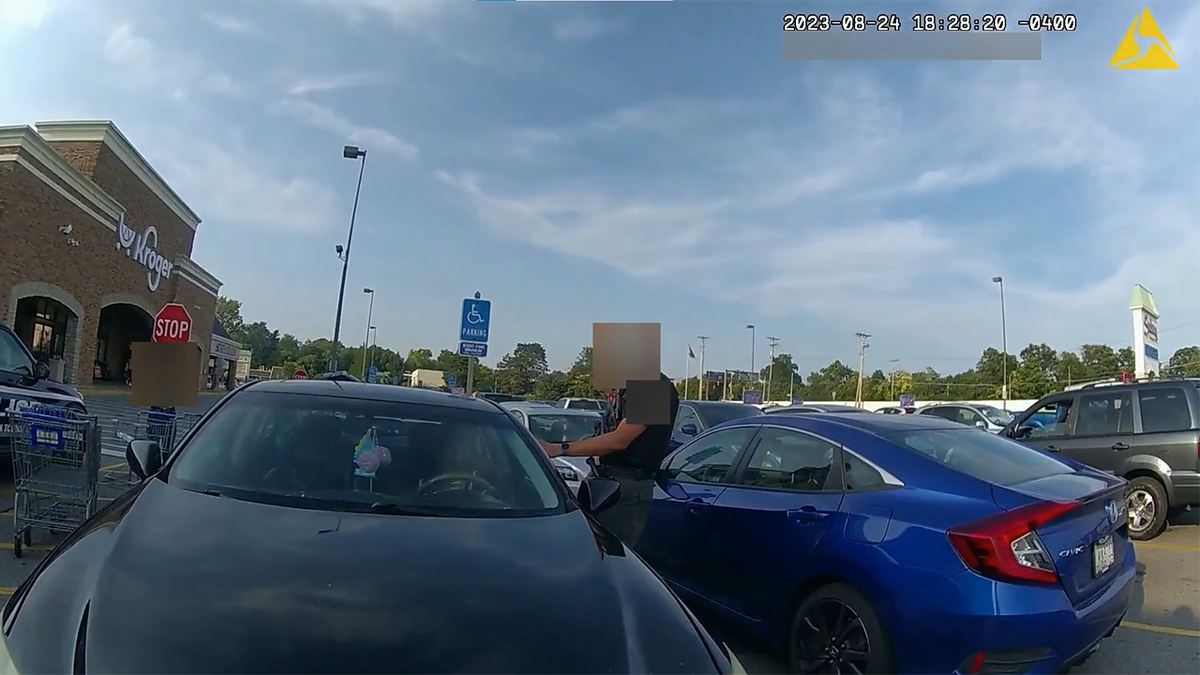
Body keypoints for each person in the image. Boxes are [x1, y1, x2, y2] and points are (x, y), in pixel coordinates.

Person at [535, 373, 679, 549]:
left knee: (611, 554)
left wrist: (560, 449)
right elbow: (607, 435)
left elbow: (620, 440)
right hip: (605, 481)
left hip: (625, 486)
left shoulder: (652, 385)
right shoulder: (629, 386)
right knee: (590, 547)